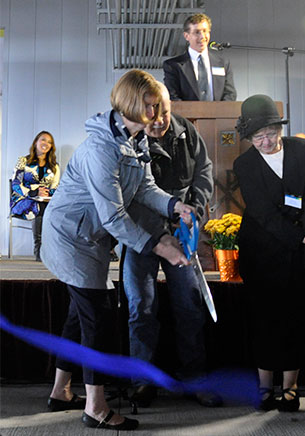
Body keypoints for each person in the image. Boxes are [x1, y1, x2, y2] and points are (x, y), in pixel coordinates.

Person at [41, 69, 193, 431]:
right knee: (96, 320)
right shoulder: (101, 148)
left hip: (89, 240)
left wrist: (175, 206)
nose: (158, 116)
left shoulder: (133, 138)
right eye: (152, 107)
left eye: (158, 107)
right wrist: (159, 245)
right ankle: (95, 407)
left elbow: (145, 188)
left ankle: (60, 391)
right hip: (70, 239)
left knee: (79, 318)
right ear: (131, 104)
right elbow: (114, 216)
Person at [233, 94, 305, 413]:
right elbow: (265, 215)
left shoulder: (300, 149)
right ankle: (264, 386)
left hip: (299, 256)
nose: (266, 141)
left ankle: (291, 387)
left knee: (296, 318)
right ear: (249, 137)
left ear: (279, 128)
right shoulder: (245, 165)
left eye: (270, 133)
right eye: (258, 137)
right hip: (263, 251)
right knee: (265, 320)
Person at [122, 82, 220, 407]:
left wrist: (194, 206)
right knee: (142, 308)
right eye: (152, 112)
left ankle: (195, 379)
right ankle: (143, 382)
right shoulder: (129, 141)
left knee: (190, 305)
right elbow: (134, 196)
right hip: (142, 231)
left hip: (181, 226)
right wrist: (158, 235)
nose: (160, 119)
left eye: (164, 110)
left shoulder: (186, 133)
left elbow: (204, 172)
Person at [163, 13, 236, 101]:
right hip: (186, 114)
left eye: (205, 31)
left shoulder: (223, 64)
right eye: (197, 32)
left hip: (219, 114)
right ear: (186, 36)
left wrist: (220, 113)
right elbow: (173, 96)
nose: (202, 36)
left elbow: (230, 94)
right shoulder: (173, 65)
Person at [10, 131, 60, 261]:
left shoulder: (55, 166)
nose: (46, 144)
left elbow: (56, 188)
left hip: (45, 201)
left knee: (58, 208)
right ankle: (40, 248)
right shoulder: (23, 161)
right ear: (36, 142)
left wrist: (47, 193)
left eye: (49, 142)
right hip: (22, 200)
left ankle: (52, 248)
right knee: (39, 205)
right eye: (43, 140)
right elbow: (15, 185)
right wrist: (34, 192)